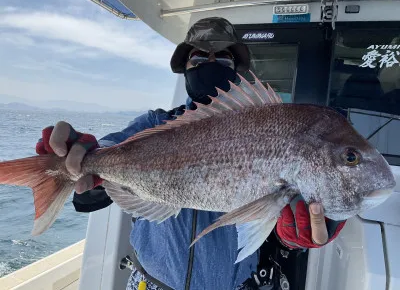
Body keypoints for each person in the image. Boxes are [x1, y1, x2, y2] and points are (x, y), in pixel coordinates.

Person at [35, 17, 346, 290]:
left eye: (222, 59)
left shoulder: (272, 133)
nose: (209, 64)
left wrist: (299, 231)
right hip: (152, 285)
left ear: (236, 70)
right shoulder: (153, 124)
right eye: (198, 57)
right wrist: (78, 156)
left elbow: (278, 225)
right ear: (184, 68)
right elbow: (93, 185)